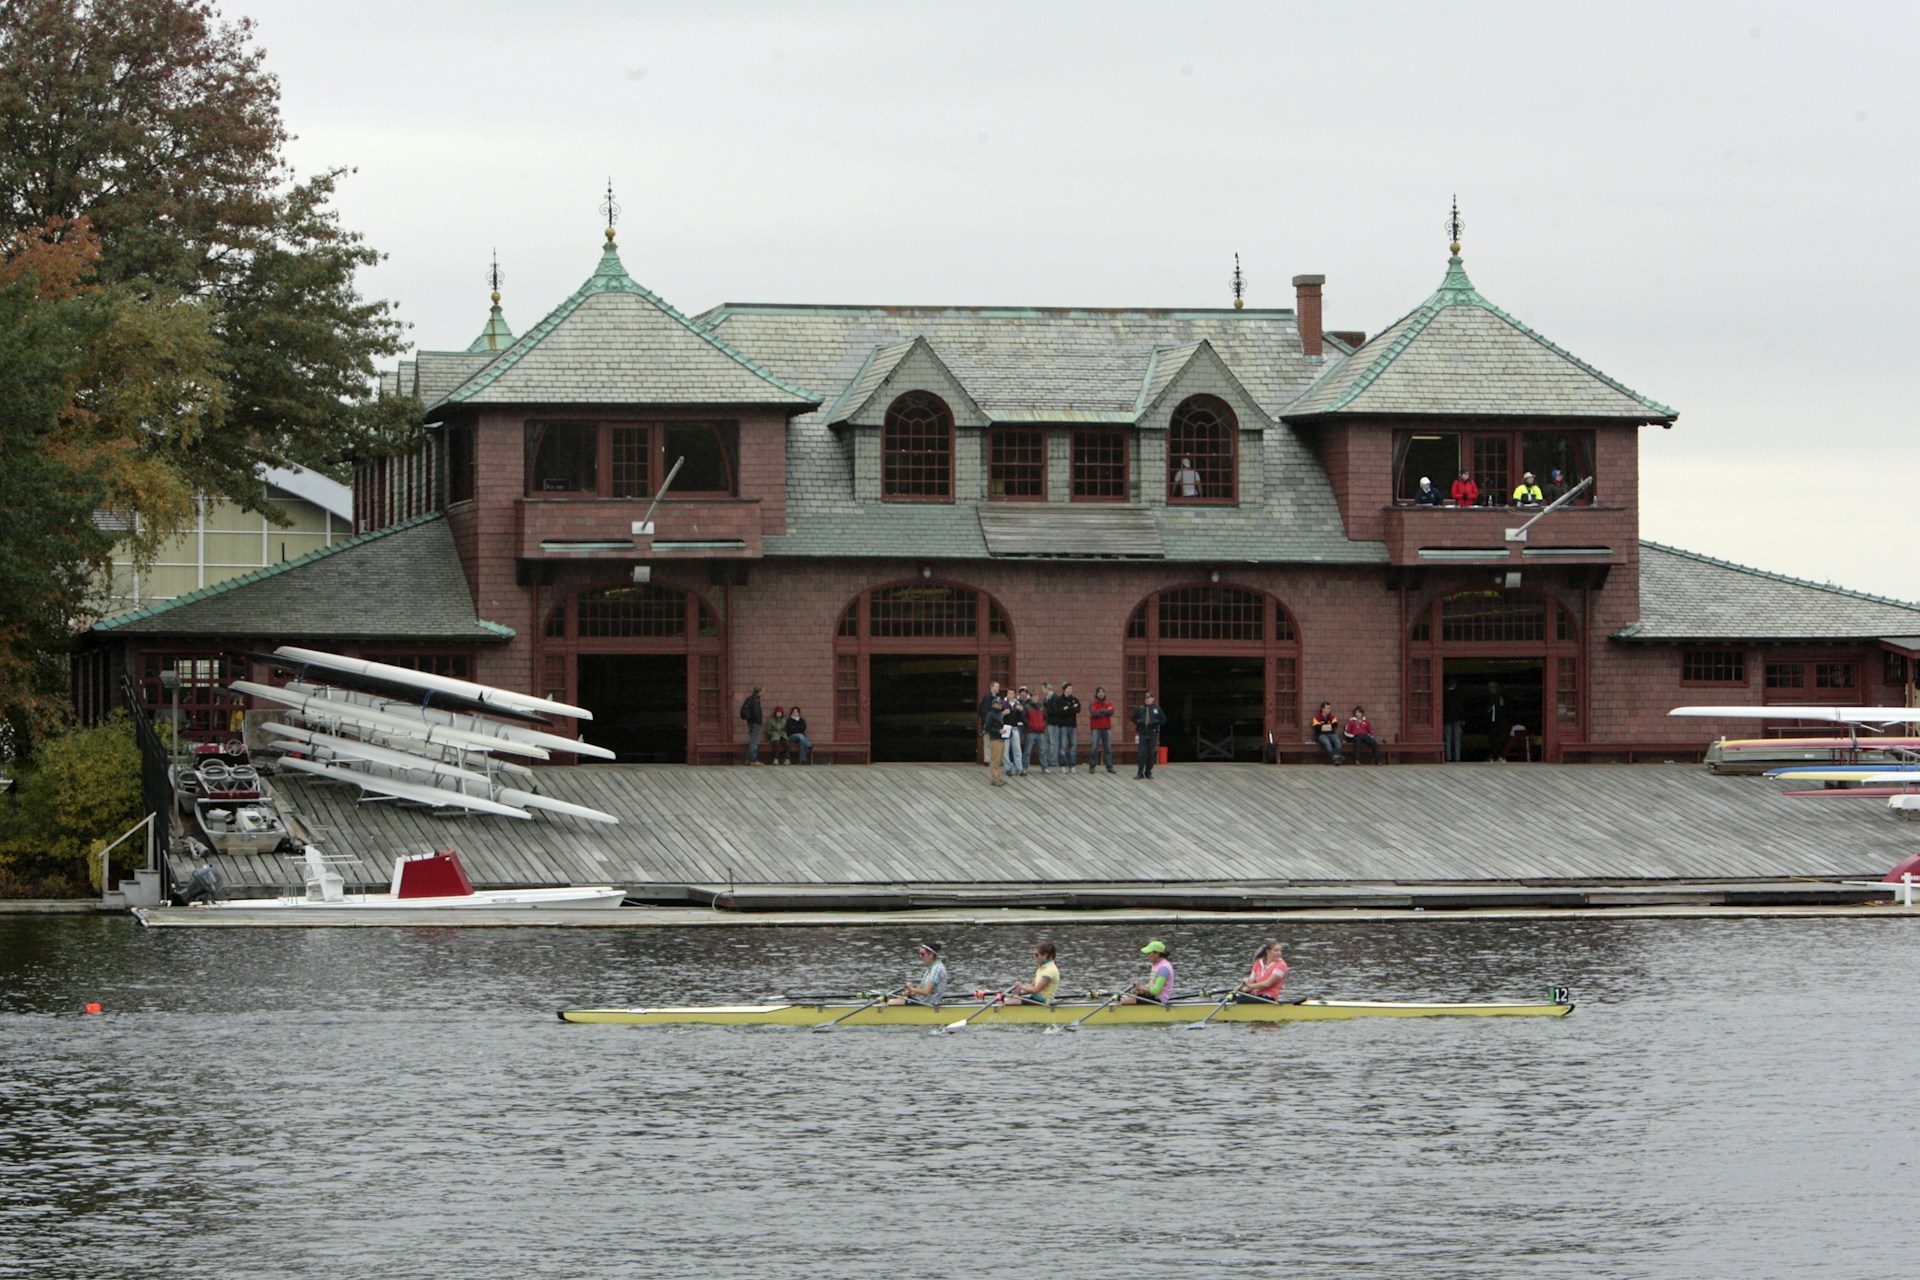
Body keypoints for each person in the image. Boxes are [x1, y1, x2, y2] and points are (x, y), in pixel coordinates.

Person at [889, 943, 948, 1007]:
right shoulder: (931, 967)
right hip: (922, 1001)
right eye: (919, 954)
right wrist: (910, 992)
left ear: (931, 954)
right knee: (891, 1001)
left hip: (928, 1004)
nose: (920, 956)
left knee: (890, 1002)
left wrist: (911, 988)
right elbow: (921, 988)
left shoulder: (936, 969)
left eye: (922, 954)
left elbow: (926, 992)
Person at [1121, 940, 1175, 1006]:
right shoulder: (1156, 964)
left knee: (1121, 1001)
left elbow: (1155, 991)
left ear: (1157, 954)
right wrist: (1139, 990)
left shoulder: (1164, 968)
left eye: (1149, 953)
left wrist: (1140, 987)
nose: (1147, 956)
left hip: (1159, 1000)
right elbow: (1151, 985)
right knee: (1121, 998)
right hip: (1152, 997)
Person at [1008, 941, 1060, 1005]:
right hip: (1035, 999)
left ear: (1045, 955)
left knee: (1006, 1002)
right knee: (1007, 1000)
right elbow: (1031, 987)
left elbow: (1036, 990)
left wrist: (1021, 986)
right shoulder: (1041, 968)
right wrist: (1020, 992)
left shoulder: (1050, 970)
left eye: (1036, 955)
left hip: (1043, 1001)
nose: (1034, 957)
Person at [1133, 692, 1166, 779]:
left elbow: (1163, 720)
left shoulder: (1157, 709)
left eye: (1149, 698)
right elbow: (1133, 718)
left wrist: (1155, 721)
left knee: (1151, 754)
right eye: (1146, 698)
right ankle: (1140, 772)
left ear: (1153, 698)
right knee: (1142, 754)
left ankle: (1148, 772)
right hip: (1143, 733)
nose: (1147, 699)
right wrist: (1139, 722)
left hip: (1153, 733)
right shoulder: (1140, 708)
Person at [1051, 682, 1082, 773]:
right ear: (1064, 689)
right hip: (1063, 726)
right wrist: (1071, 708)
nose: (1070, 690)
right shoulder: (1059, 700)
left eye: (1071, 689)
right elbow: (1060, 711)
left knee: (1073, 746)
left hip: (1072, 725)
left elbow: (1078, 709)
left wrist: (1068, 708)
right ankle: (1063, 765)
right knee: (1063, 746)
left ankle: (1072, 765)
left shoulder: (1074, 699)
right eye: (1069, 688)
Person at [1088, 685, 1116, 773]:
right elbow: (1094, 713)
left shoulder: (1109, 702)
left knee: (1108, 748)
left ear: (1104, 693)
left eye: (1102, 692)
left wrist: (1100, 710)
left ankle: (1109, 766)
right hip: (1096, 728)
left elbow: (1111, 712)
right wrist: (1105, 711)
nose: (1101, 694)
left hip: (1106, 728)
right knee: (1094, 747)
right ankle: (1092, 766)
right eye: (1099, 693)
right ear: (1096, 694)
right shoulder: (1092, 703)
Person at [985, 695, 1009, 786]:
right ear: (994, 704)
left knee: (1000, 759)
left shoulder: (999, 714)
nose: (1000, 705)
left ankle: (998, 776)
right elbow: (988, 727)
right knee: (995, 759)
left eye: (1000, 704)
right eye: (998, 704)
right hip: (995, 739)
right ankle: (994, 778)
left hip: (1001, 738)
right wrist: (998, 731)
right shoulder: (990, 714)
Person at [978, 680, 1003, 766]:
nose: (998, 688)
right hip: (989, 722)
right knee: (987, 741)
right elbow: (984, 711)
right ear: (992, 687)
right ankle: (987, 759)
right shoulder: (987, 697)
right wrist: (985, 722)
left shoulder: (999, 697)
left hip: (997, 723)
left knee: (996, 741)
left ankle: (996, 759)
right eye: (997, 687)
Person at [1025, 689, 1050, 774]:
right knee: (1028, 751)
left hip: (1040, 731)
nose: (1036, 698)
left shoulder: (1042, 707)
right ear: (1031, 697)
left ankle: (1044, 767)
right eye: (1034, 696)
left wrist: (1043, 725)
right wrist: (1029, 725)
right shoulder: (1027, 707)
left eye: (1037, 696)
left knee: (1042, 751)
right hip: (1030, 731)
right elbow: (1024, 718)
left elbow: (1046, 718)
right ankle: (1024, 767)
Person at [739, 685, 764, 764]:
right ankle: (753, 759)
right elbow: (756, 712)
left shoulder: (749, 698)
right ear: (759, 692)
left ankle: (748, 760)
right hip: (755, 723)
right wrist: (759, 721)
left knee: (753, 740)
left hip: (750, 721)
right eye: (762, 691)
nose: (763, 693)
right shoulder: (756, 700)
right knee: (754, 741)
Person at [1007, 686, 1028, 776]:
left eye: (1012, 693)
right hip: (1006, 727)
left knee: (1017, 749)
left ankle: (1019, 769)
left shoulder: (1017, 704)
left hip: (1015, 727)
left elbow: (1022, 717)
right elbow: (1000, 715)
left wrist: (1021, 710)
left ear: (1015, 695)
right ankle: (1008, 768)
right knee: (1006, 750)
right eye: (1009, 694)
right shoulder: (1004, 704)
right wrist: (1004, 712)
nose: (1010, 695)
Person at [1443, 678, 1465, 763]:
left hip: (1447, 719)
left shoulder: (1444, 695)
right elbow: (1460, 707)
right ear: (1455, 685)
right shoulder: (1458, 694)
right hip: (1457, 718)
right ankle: (1457, 758)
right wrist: (1462, 718)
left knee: (1447, 738)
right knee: (1457, 739)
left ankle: (1448, 757)